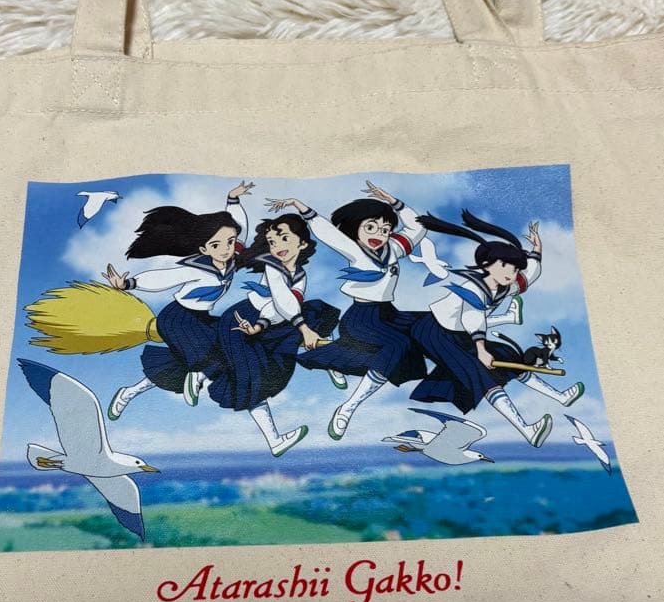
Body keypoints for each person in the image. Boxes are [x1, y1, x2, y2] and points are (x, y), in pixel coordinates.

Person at [265, 181, 426, 440]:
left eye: (385, 229)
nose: (378, 234)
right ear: (356, 229)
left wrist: (393, 201)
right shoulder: (355, 251)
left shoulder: (394, 249)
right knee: (396, 347)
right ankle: (347, 408)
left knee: (427, 326)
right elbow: (327, 232)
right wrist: (299, 205)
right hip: (362, 317)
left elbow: (418, 227)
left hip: (389, 314)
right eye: (370, 227)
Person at [105, 182, 252, 418]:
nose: (226, 249)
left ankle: (129, 393)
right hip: (178, 319)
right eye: (216, 245)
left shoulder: (232, 255)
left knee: (177, 364)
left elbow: (240, 226)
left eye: (230, 242)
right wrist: (128, 284)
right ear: (204, 249)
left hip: (200, 318)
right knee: (215, 354)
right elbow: (162, 278)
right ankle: (198, 375)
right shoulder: (196, 269)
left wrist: (233, 199)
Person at [409, 210, 553, 447]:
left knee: (506, 354)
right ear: (487, 265)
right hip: (434, 332)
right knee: (480, 372)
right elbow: (471, 318)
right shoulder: (474, 287)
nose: (511, 273)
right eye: (505, 266)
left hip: (459, 334)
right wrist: (481, 350)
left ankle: (558, 397)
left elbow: (532, 273)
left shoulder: (506, 286)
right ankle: (527, 430)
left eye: (515, 269)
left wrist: (537, 249)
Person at [205, 213, 340, 456]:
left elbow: (289, 305)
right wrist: (290, 328)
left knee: (319, 311)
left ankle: (329, 360)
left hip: (274, 321)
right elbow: (280, 300)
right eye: (272, 242)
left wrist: (287, 327)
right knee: (253, 377)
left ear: (302, 243)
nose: (277, 246)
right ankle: (274, 440)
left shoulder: (300, 274)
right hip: (244, 319)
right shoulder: (272, 266)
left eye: (284, 239)